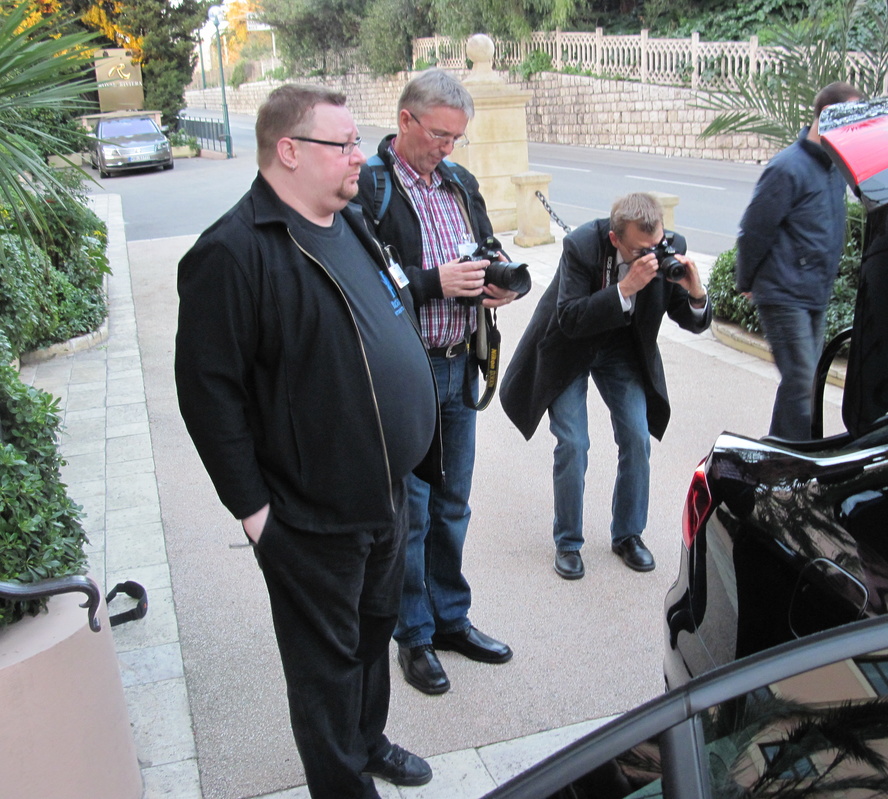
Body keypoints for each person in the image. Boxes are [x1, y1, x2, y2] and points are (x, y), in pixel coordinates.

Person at [174, 84, 439, 798]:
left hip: (385, 493)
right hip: (310, 515)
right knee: (325, 667)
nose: (360, 156)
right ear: (288, 151)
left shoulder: (347, 219)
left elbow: (384, 305)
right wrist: (257, 515)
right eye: (343, 144)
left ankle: (368, 741)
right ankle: (342, 784)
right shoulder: (231, 253)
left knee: (374, 631)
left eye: (356, 141)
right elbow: (207, 396)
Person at [355, 69, 522, 696]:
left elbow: (486, 244)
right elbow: (363, 282)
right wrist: (435, 282)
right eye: (439, 135)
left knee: (454, 504)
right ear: (406, 120)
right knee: (415, 513)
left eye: (456, 138)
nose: (448, 148)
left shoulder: (458, 183)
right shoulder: (370, 187)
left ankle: (451, 618)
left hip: (460, 361)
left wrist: (498, 279)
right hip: (409, 373)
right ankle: (415, 635)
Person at [500, 192, 711, 580]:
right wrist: (625, 288)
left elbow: (690, 317)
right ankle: (568, 542)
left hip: (621, 350)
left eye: (657, 245)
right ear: (615, 238)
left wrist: (696, 292)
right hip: (571, 346)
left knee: (637, 437)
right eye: (640, 250)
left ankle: (628, 534)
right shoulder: (581, 245)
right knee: (573, 442)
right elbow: (570, 317)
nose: (652, 255)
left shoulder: (670, 247)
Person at [735, 81, 864, 441]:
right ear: (827, 116)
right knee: (801, 380)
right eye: (851, 117)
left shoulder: (834, 169)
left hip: (814, 293)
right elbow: (754, 229)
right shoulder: (787, 168)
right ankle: (795, 459)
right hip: (783, 292)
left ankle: (778, 451)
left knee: (802, 381)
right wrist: (746, 280)